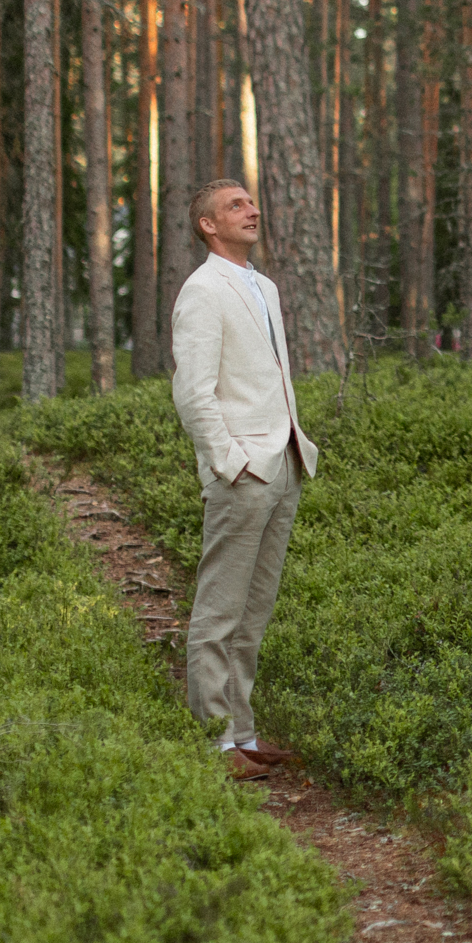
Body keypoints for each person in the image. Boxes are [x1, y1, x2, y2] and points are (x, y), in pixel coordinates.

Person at [171, 178, 320, 781]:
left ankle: (244, 735)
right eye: (236, 206)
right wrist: (229, 462)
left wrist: (282, 455)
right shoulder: (203, 290)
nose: (253, 210)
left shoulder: (265, 287)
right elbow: (192, 392)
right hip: (245, 473)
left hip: (284, 464)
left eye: (252, 202)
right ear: (208, 224)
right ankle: (213, 744)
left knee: (253, 612)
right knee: (219, 611)